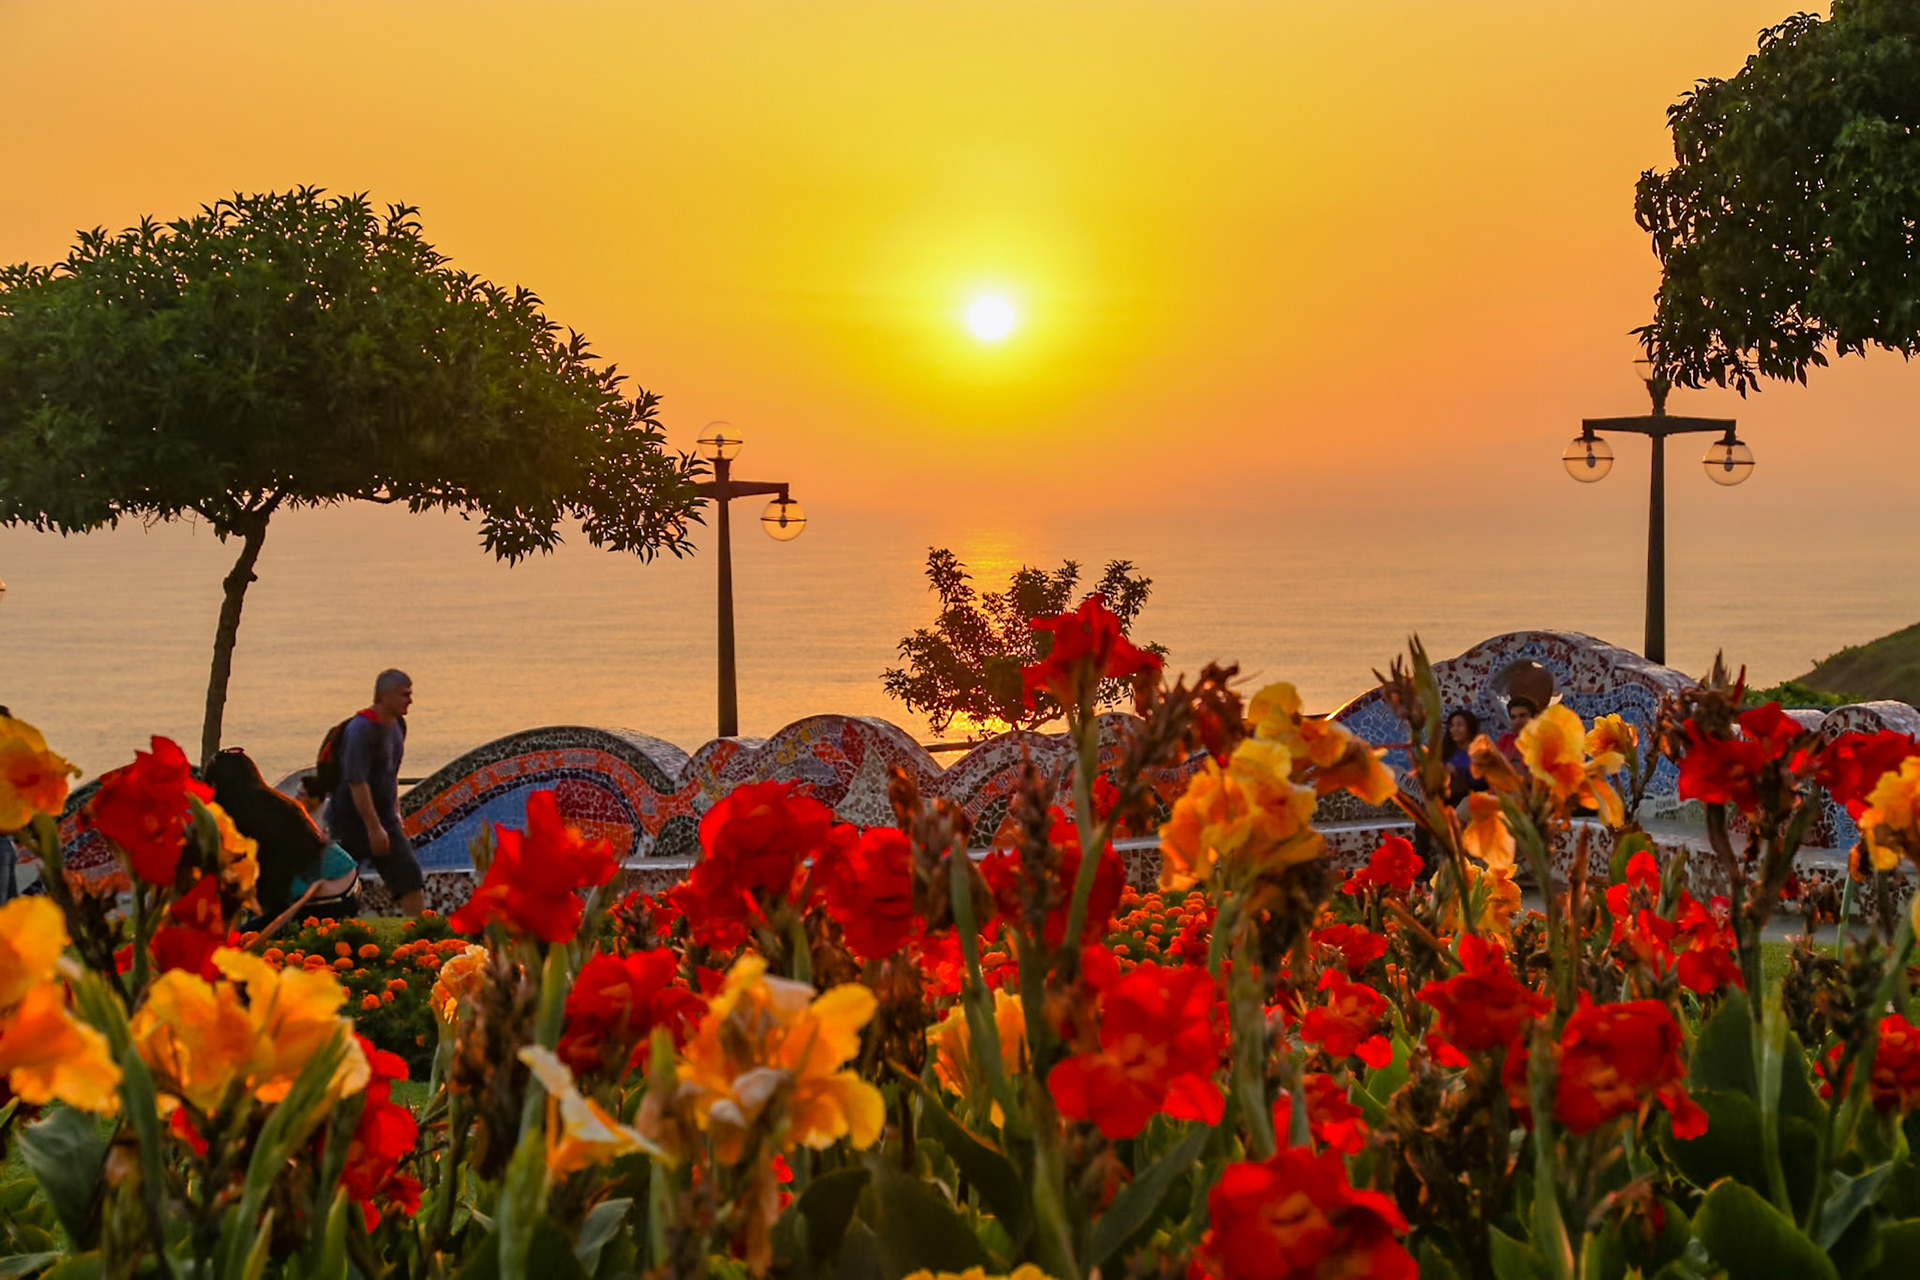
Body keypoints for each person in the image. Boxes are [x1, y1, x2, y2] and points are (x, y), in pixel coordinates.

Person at [206, 748, 359, 928]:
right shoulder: (275, 804)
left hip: (325, 898)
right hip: (348, 886)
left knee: (242, 939)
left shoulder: (245, 820)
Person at [326, 669, 426, 916]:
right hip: (350, 821)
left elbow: (390, 773)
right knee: (337, 888)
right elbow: (357, 782)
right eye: (404, 695)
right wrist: (373, 827)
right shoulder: (361, 729)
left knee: (410, 880)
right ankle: (331, 937)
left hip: (384, 819)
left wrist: (395, 815)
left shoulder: (399, 726)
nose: (410, 701)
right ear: (385, 696)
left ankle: (421, 940)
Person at [1442, 708, 1484, 805]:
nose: (1454, 729)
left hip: (1471, 798)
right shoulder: (1446, 751)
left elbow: (1483, 782)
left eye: (1460, 725)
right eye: (1452, 725)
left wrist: (1457, 774)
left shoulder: (1479, 752)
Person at [1495, 696, 1538, 769]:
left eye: (1523, 716)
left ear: (1534, 717)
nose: (1518, 721)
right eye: (1513, 717)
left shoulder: (1545, 741)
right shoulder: (1505, 740)